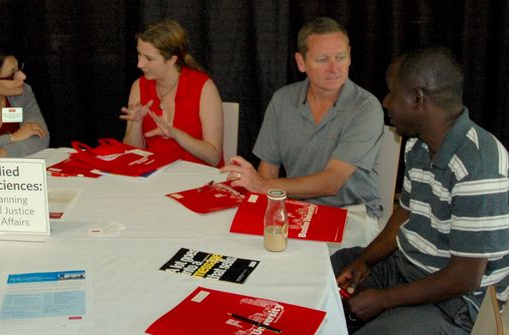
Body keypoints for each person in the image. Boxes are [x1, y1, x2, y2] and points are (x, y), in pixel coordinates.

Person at [331, 46, 509, 334]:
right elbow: (404, 216)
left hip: (460, 307)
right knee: (328, 269)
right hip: (409, 269)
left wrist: (383, 300)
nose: (385, 102)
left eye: (391, 93)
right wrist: (365, 260)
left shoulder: (480, 169)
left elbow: (464, 279)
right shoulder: (419, 146)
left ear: (417, 98)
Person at [220, 17, 384, 247]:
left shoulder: (366, 107)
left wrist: (263, 186)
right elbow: (268, 169)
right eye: (322, 60)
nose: (334, 68)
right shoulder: (283, 100)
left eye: (340, 57)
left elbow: (332, 182)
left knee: (301, 265)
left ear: (350, 56)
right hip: (294, 207)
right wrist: (265, 193)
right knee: (238, 245)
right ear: (301, 62)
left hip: (350, 214)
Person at [120, 19, 223, 167]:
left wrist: (176, 134)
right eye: (139, 54)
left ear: (172, 60)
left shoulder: (203, 86)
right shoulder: (139, 86)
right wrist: (136, 123)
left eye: (149, 58)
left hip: (199, 179)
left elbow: (214, 157)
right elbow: (131, 153)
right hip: (156, 176)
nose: (139, 64)